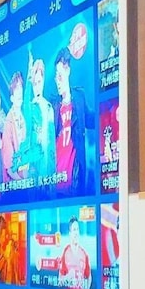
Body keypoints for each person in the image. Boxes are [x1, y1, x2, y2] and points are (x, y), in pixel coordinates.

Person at [53, 49, 90, 193]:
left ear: (67, 71)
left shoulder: (79, 98)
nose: (57, 80)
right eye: (56, 76)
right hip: (55, 180)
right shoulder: (54, 105)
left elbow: (91, 119)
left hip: (74, 178)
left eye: (60, 75)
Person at [28, 50, 56, 181]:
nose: (37, 86)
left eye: (39, 82)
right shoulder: (29, 108)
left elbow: (52, 144)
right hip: (34, 170)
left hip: (49, 169)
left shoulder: (49, 107)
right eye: (35, 83)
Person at [1, 72, 27, 180]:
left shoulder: (25, 116)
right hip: (16, 182)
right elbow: (9, 166)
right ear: (11, 98)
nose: (19, 91)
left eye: (20, 87)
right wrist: (22, 183)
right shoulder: (9, 122)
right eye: (16, 88)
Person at [58, 216, 92, 289]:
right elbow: (59, 281)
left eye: (77, 229)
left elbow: (89, 277)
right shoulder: (65, 253)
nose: (76, 233)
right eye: (74, 230)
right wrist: (68, 277)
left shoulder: (84, 254)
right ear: (70, 233)